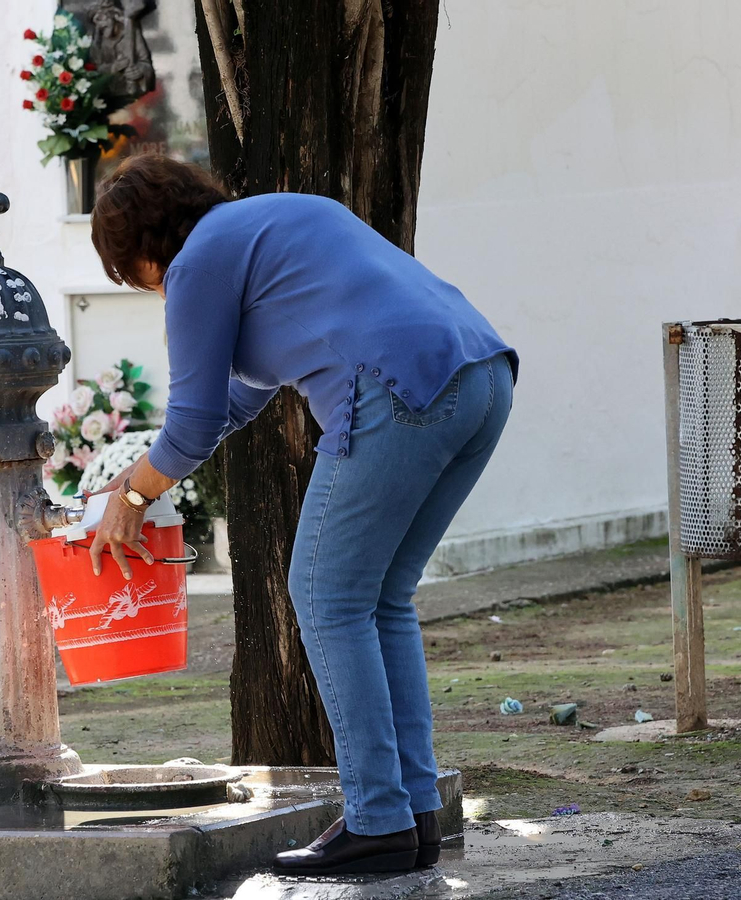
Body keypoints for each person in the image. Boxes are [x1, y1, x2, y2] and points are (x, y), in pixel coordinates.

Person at [85, 155, 516, 874]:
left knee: (325, 597)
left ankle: (378, 819)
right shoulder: (276, 219)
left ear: (146, 253)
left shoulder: (194, 266)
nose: (151, 291)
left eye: (136, 276)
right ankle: (411, 817)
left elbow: (191, 424)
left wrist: (132, 496)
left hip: (399, 389)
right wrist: (140, 471)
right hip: (481, 377)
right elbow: (240, 397)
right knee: (380, 599)